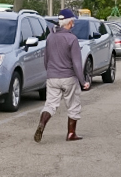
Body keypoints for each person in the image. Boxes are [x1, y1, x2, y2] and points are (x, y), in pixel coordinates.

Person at [34, 8, 91, 142]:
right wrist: (83, 82)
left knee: (50, 105)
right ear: (69, 22)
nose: (74, 24)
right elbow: (77, 63)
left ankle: (42, 123)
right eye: (73, 21)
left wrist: (50, 73)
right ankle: (71, 134)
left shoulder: (50, 37)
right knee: (73, 105)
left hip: (52, 77)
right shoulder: (72, 39)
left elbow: (46, 59)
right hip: (68, 77)